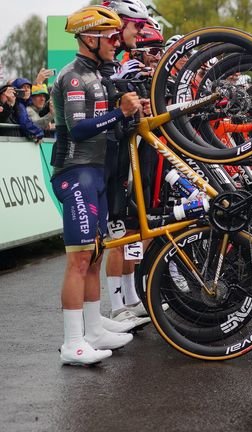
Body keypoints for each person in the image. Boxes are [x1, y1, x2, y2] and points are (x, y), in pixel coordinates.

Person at [50, 5, 142, 365]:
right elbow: (79, 128)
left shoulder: (98, 75)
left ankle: (93, 329)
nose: (116, 43)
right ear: (90, 38)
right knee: (79, 259)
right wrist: (120, 112)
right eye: (109, 37)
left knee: (96, 255)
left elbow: (110, 125)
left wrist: (129, 113)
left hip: (96, 171)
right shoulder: (74, 76)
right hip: (75, 171)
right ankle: (72, 342)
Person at [100, 0, 153, 324]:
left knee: (134, 233)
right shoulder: (117, 68)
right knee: (117, 238)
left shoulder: (117, 64)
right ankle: (117, 305)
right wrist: (128, 113)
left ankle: (130, 297)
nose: (139, 32)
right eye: (135, 25)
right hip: (113, 164)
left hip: (131, 163)